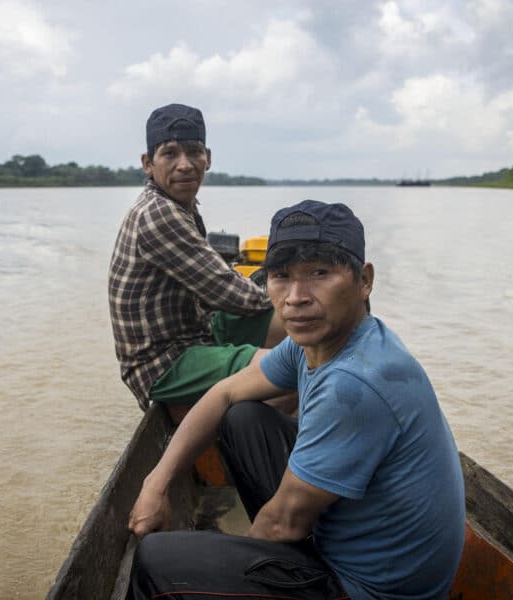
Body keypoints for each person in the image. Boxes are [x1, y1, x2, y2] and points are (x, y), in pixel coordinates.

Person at [126, 200, 466, 600]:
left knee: (155, 561)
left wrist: (229, 570)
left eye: (320, 273)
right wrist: (156, 482)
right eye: (281, 276)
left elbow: (280, 525)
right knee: (242, 417)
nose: (295, 297)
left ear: (365, 280)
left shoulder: (353, 385)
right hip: (338, 546)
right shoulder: (319, 341)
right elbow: (224, 392)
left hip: (364, 589)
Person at [108, 103, 284, 417]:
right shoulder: (158, 213)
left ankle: (243, 410)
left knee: (294, 323)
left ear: (208, 158)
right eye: (170, 154)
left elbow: (217, 289)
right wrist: (284, 297)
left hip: (193, 333)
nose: (185, 165)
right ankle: (241, 431)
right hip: (162, 363)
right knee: (292, 365)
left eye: (193, 152)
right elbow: (229, 292)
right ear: (148, 164)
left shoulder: (178, 203)